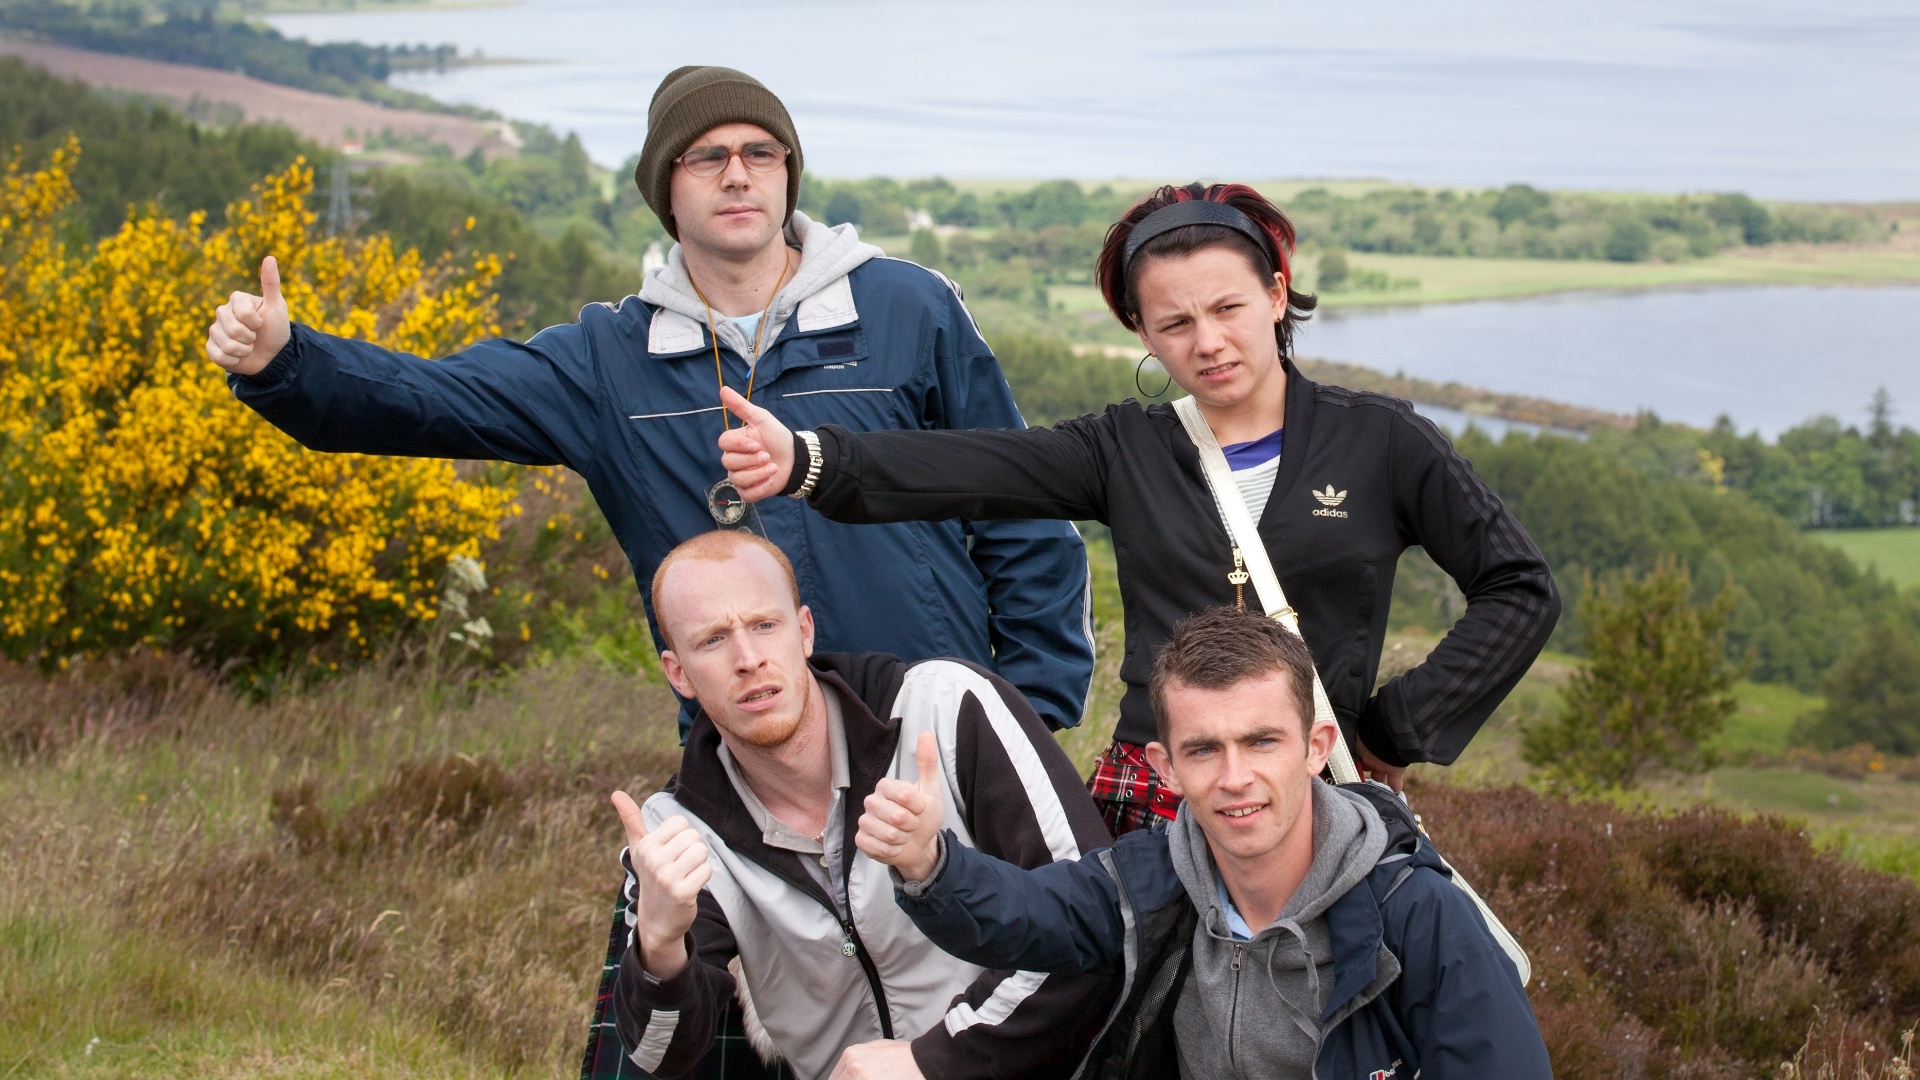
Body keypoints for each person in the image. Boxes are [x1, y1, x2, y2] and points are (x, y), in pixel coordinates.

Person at [202, 64, 1094, 736]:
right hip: (747, 755)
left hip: (940, 730)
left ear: (788, 173)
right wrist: (289, 361)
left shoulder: (908, 307)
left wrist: (1032, 713)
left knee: (989, 975)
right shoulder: (610, 361)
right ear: (668, 189)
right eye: (708, 157)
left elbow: (1019, 511)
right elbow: (430, 400)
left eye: (759, 153)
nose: (737, 174)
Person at [718, 182, 1560, 834]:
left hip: (1313, 782)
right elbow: (973, 465)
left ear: (1276, 293)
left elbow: (1519, 586)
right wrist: (809, 459)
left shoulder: (1381, 442)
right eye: (1175, 322)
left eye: (1229, 307)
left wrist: (1392, 728)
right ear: (1145, 337)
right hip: (1152, 787)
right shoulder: (1125, 448)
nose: (1209, 342)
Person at [856, 607, 1555, 1078]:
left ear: (1316, 749)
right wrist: (929, 863)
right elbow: (1031, 915)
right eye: (1203, 750)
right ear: (1165, 768)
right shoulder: (1154, 879)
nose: (1234, 778)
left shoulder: (1417, 916)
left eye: (1261, 741)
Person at [606, 530, 1114, 1080]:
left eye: (764, 625)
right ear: (677, 672)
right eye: (712, 640)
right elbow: (661, 1056)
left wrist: (935, 1063)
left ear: (803, 631)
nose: (748, 659)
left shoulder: (947, 707)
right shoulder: (676, 828)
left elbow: (1101, 921)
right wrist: (659, 946)